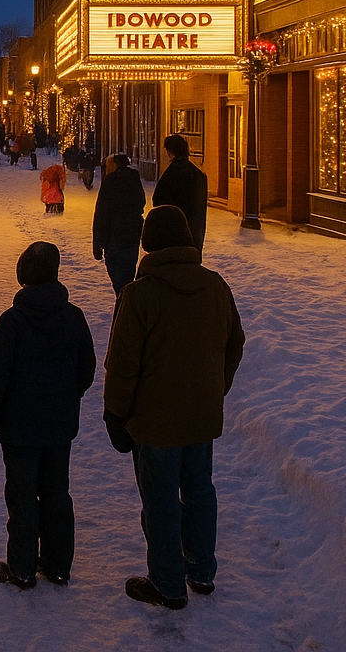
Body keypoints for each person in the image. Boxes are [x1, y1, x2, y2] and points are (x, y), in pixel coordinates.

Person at [103, 206, 245, 610]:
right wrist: (216, 387)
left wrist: (116, 414)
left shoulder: (139, 294)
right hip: (201, 418)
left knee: (161, 500)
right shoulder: (215, 286)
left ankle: (167, 582)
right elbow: (235, 343)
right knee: (199, 491)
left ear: (149, 243)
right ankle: (200, 570)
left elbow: (123, 365)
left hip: (154, 423)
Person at [0, 243, 96, 590]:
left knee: (22, 497)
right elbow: (85, 369)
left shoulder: (12, 322)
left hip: (19, 429)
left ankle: (23, 567)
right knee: (57, 493)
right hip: (59, 425)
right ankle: (58, 565)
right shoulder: (73, 317)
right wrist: (65, 397)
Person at [92, 153, 146, 296]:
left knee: (116, 271)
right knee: (128, 268)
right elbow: (141, 202)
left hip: (114, 235)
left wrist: (98, 241)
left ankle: (124, 300)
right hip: (132, 233)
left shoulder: (111, 180)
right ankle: (126, 296)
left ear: (115, 165)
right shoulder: (134, 178)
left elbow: (102, 211)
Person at [152, 134, 209, 253]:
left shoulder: (171, 174)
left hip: (173, 236)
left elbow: (158, 201)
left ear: (170, 152)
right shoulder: (197, 174)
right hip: (194, 233)